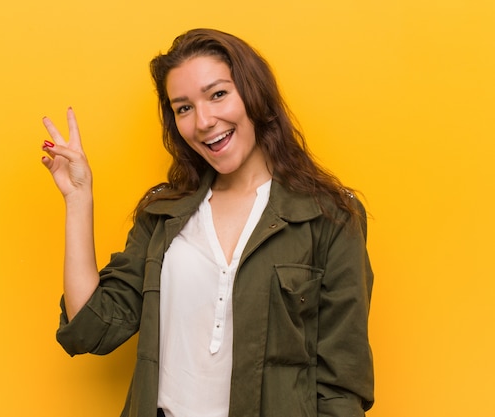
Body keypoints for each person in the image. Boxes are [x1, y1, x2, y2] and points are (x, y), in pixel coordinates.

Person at [41, 28, 374, 417]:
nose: (203, 121)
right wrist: (78, 198)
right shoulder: (163, 216)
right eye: (183, 108)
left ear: (254, 95)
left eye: (218, 94)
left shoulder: (328, 217)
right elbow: (91, 327)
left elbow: (342, 386)